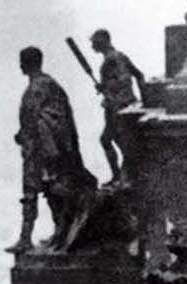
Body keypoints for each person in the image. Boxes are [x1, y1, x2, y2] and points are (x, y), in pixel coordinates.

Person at [9, 46, 90, 254]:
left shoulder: (39, 86)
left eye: (22, 61)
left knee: (38, 191)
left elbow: (33, 117)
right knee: (49, 191)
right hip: (45, 148)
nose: (19, 65)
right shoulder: (48, 84)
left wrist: (24, 135)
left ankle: (29, 238)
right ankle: (57, 232)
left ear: (28, 63)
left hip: (42, 150)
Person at [90, 29, 146, 185]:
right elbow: (137, 76)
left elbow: (125, 79)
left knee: (121, 140)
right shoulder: (113, 57)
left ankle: (127, 173)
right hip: (114, 106)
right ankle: (120, 174)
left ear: (104, 41)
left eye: (95, 41)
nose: (93, 45)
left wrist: (108, 89)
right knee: (108, 139)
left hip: (119, 107)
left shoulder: (114, 58)